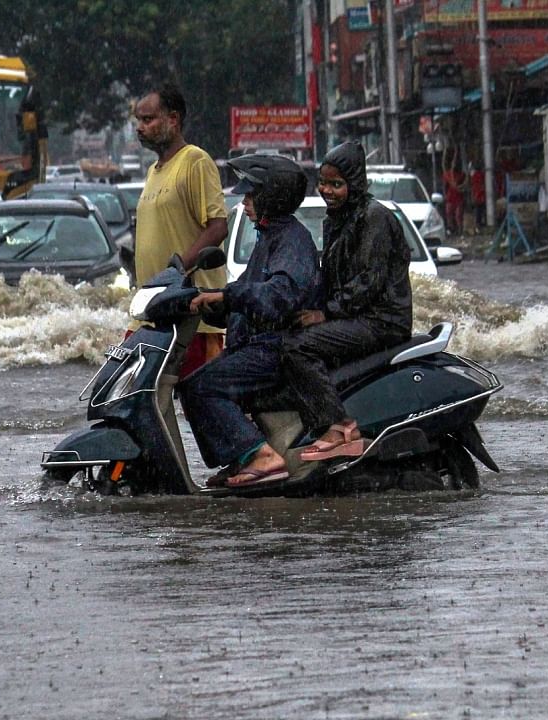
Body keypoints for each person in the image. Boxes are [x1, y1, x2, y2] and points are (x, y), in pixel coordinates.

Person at [179, 155, 320, 489]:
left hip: (276, 349)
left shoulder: (292, 241)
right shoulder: (269, 236)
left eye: (251, 195)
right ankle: (242, 456)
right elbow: (249, 294)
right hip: (256, 345)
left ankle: (261, 457)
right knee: (190, 384)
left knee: (202, 387)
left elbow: (278, 296)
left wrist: (228, 297)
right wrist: (208, 302)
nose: (244, 202)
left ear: (273, 197)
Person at [282, 141, 413, 462]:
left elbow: (367, 281)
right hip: (356, 316)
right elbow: (329, 275)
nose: (327, 190)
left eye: (336, 184)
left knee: (297, 347)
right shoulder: (338, 219)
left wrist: (325, 313)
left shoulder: (374, 218)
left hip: (381, 320)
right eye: (323, 183)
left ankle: (340, 427)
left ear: (354, 184)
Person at [131, 84, 229, 378]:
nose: (140, 128)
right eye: (138, 121)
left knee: (201, 405)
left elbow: (218, 226)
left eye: (148, 120)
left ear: (173, 119)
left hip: (191, 316)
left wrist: (178, 268)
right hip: (151, 312)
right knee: (133, 396)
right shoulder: (153, 171)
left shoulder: (195, 161)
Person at [441, 161, 465, 235]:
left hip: (458, 197)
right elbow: (445, 186)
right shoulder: (447, 175)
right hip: (450, 197)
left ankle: (460, 230)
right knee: (449, 214)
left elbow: (464, 185)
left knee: (458, 215)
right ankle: (451, 229)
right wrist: (445, 195)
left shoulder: (461, 175)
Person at [469, 162, 487, 230]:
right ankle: (481, 224)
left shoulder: (474, 176)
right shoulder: (482, 175)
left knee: (478, 212)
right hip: (481, 196)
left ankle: (479, 225)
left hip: (478, 196)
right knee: (481, 211)